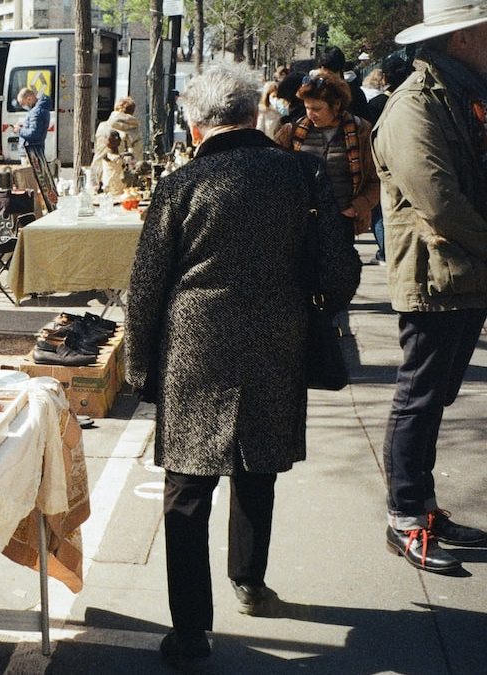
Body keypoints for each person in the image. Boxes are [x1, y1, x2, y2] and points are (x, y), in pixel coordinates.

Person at [123, 63, 359, 671]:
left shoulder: (181, 185)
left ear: (196, 124)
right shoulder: (301, 173)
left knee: (186, 490)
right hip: (276, 339)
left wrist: (137, 365)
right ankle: (250, 583)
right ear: (256, 112)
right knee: (258, 466)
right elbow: (338, 271)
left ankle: (191, 631)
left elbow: (146, 287)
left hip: (195, 345)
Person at [372, 1, 487, 575]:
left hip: (461, 273)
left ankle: (422, 506)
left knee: (433, 399)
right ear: (463, 38)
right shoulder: (414, 105)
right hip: (435, 274)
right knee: (419, 399)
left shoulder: (458, 94)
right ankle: (406, 518)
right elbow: (439, 201)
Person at [275, 70, 380, 239]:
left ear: (336, 105)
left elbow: (376, 179)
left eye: (317, 108)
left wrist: (357, 207)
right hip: (302, 223)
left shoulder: (361, 131)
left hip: (343, 220)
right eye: (307, 107)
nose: (310, 114)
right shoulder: (291, 132)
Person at [365, 54, 413, 263]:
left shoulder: (376, 103)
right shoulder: (412, 100)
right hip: (407, 161)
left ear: (385, 77)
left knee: (381, 210)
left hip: (381, 161)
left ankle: (385, 251)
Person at [90, 96, 143, 186]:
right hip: (122, 178)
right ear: (132, 112)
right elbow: (138, 157)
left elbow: (98, 151)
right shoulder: (135, 131)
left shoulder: (102, 127)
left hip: (99, 175)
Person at [317, 45, 371, 120]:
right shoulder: (315, 91)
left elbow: (364, 122)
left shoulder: (354, 93)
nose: (326, 79)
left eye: (330, 74)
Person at [15, 87, 52, 154]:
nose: (23, 106)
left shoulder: (36, 112)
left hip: (31, 151)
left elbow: (34, 134)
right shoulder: (38, 110)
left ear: (29, 99)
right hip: (33, 149)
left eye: (23, 103)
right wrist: (24, 126)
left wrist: (19, 130)